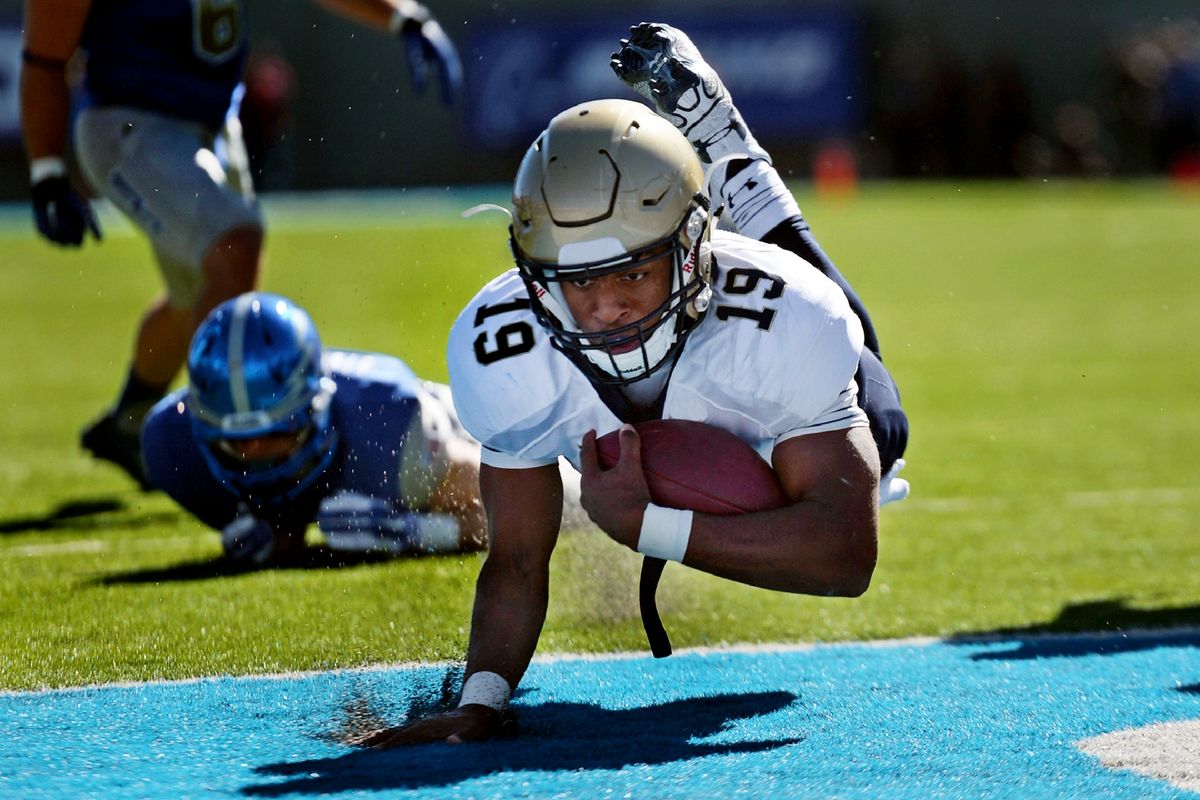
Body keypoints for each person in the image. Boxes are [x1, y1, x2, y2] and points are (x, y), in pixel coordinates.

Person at [351, 22, 910, 746]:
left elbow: (845, 555)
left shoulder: (786, 319)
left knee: (880, 413)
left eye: (633, 273)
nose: (605, 306)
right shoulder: (503, 348)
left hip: (763, 331)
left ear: (691, 248)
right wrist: (480, 700)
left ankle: (730, 152)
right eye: (576, 280)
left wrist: (650, 527)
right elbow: (516, 558)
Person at [19, 0, 463, 490]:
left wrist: (403, 15)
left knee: (197, 295)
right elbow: (44, 56)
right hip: (131, 122)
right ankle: (216, 462)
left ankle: (129, 422)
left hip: (212, 126)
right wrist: (46, 171)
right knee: (235, 246)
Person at [141, 291, 489, 565]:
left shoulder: (389, 425)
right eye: (236, 443)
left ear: (316, 407)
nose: (256, 456)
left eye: (277, 433)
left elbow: (504, 512)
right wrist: (278, 534)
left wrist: (416, 532)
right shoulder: (172, 442)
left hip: (463, 422)